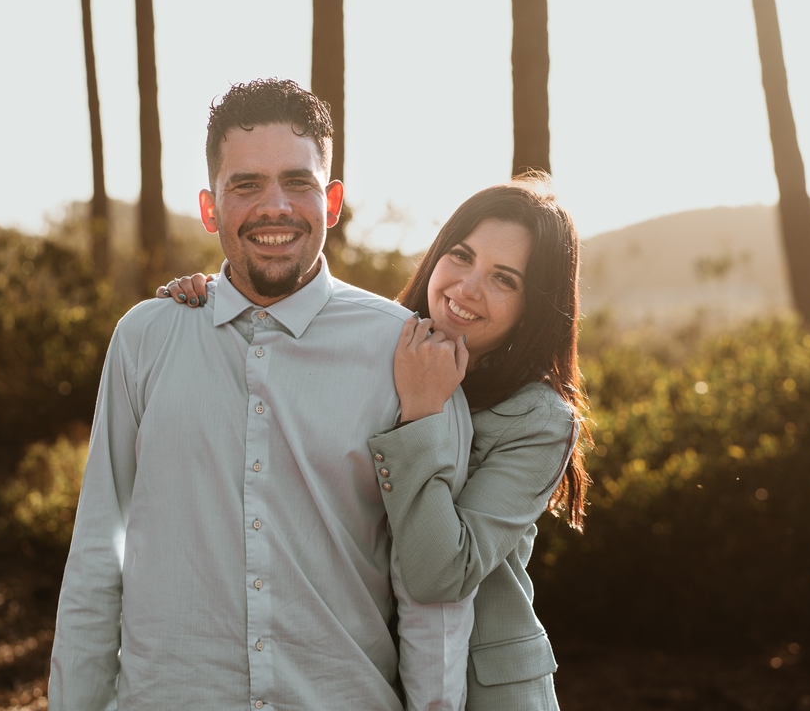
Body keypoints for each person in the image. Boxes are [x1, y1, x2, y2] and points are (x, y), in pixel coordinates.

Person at [49, 78, 477, 711]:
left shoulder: (407, 355)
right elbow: (96, 556)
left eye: (297, 182)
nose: (274, 207)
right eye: (246, 185)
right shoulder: (146, 339)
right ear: (210, 208)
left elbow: (430, 593)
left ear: (332, 201)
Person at [162, 175, 590, 710]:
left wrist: (422, 413)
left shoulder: (540, 420)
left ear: (535, 306)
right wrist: (217, 298)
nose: (466, 288)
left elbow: (441, 573)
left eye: (504, 279)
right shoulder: (377, 350)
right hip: (363, 670)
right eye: (461, 256)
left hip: (490, 694)